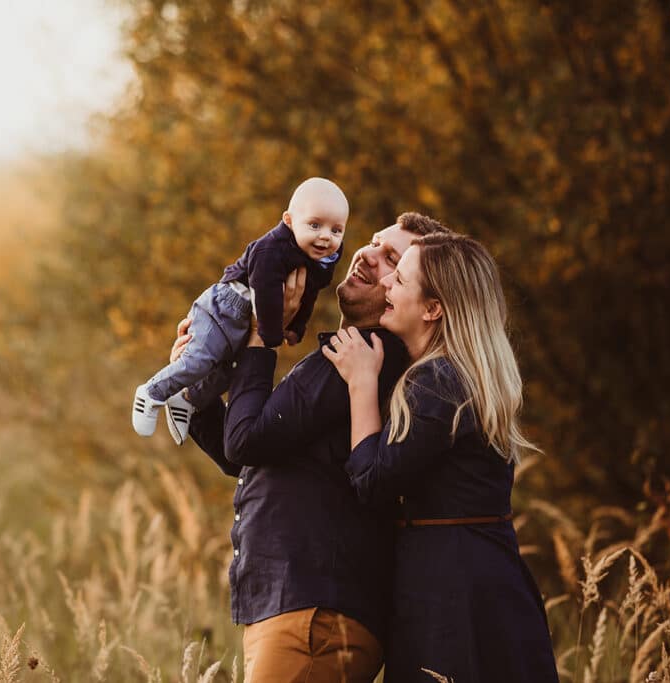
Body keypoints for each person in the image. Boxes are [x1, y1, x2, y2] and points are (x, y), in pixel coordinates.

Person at [178, 213, 451, 681]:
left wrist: (263, 335)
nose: (367, 254)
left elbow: (246, 441)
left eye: (392, 260)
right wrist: (195, 386)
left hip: (315, 619)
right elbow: (250, 453)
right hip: (304, 615)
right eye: (372, 243)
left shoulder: (366, 356)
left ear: (412, 292)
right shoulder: (351, 359)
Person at [323, 232, 559, 682]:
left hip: (453, 592)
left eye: (401, 278)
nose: (387, 283)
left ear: (433, 309)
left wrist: (361, 382)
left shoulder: (436, 381)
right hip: (477, 577)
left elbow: (372, 481)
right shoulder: (457, 374)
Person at [133, 177, 348, 445]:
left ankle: (187, 400)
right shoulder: (272, 248)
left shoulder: (323, 260)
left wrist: (296, 327)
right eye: (314, 225)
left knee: (230, 372)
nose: (326, 236)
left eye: (336, 230)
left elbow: (309, 294)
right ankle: (150, 393)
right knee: (200, 360)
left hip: (251, 317)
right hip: (226, 306)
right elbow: (264, 289)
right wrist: (270, 334)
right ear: (289, 221)